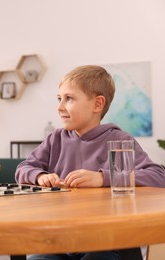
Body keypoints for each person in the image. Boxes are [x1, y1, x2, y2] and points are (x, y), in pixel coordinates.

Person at [15, 65, 165, 260]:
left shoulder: (120, 139)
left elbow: (159, 176)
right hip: (60, 241)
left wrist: (102, 177)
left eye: (69, 98)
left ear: (97, 105)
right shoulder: (55, 139)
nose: (59, 106)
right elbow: (23, 169)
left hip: (107, 243)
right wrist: (41, 176)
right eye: (59, 98)